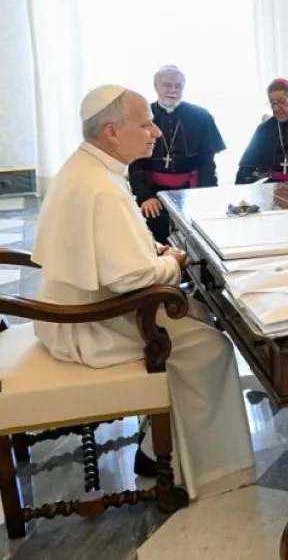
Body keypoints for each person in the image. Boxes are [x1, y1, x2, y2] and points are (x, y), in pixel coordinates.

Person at [32, 84, 254, 498]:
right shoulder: (99, 185)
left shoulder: (91, 168)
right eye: (146, 123)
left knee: (198, 318)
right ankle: (195, 465)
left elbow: (111, 243)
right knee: (211, 347)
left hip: (82, 303)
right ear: (112, 131)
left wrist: (153, 248)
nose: (156, 131)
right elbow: (132, 280)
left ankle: (159, 435)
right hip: (88, 322)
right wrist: (173, 263)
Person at [128, 65, 226, 243]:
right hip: (153, 193)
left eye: (178, 86)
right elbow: (135, 163)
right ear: (156, 86)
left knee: (196, 240)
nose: (173, 90)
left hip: (191, 192)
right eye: (167, 85)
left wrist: (208, 197)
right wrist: (145, 196)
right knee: (152, 238)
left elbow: (207, 164)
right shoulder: (143, 117)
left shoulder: (201, 116)